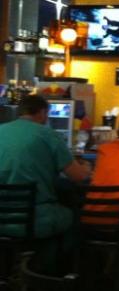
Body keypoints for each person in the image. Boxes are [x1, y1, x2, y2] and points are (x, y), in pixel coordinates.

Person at [0, 95, 90, 239]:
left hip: (3, 219)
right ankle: (53, 253)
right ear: (42, 112)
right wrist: (86, 167)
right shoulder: (49, 135)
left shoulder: (1, 130)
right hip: (37, 219)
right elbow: (78, 176)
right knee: (74, 214)